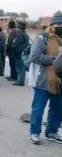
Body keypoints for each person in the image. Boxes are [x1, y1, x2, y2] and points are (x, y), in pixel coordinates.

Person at [28, 13, 62, 145]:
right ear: (52, 25)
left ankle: (51, 132)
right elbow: (35, 56)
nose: (60, 27)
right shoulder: (42, 38)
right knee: (38, 108)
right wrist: (56, 59)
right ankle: (35, 132)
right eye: (58, 25)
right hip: (43, 80)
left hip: (59, 81)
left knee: (57, 108)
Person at [12, 21, 29, 86]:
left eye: (17, 27)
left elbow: (15, 44)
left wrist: (12, 50)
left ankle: (20, 81)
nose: (16, 29)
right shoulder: (26, 34)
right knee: (22, 67)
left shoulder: (19, 35)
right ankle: (21, 80)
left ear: (19, 28)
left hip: (19, 52)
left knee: (19, 67)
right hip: (24, 52)